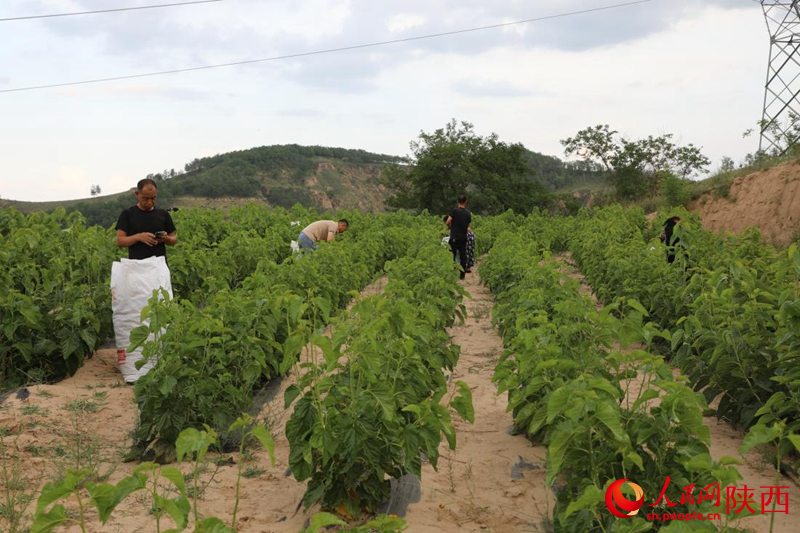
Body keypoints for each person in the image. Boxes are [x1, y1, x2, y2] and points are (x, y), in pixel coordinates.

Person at [115, 178, 177, 260]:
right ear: (137, 194)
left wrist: (166, 239)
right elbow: (120, 241)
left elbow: (173, 240)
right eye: (145, 198)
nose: (149, 202)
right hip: (137, 264)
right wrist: (138, 237)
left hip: (159, 264)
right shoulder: (128, 214)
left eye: (153, 198)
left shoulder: (163, 214)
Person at [445, 194, 471, 280]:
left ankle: (451, 273)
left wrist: (450, 226)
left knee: (452, 255)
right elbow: (468, 226)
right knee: (463, 255)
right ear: (466, 202)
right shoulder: (468, 213)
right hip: (463, 237)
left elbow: (448, 221)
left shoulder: (455, 211)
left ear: (457, 201)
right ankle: (462, 275)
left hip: (454, 237)